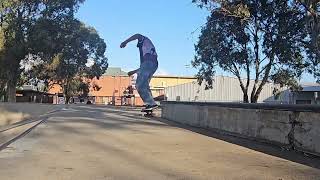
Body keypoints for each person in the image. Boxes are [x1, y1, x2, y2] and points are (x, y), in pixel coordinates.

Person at [120, 34, 158, 111]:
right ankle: (150, 104)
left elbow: (137, 35)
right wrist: (133, 71)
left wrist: (125, 42)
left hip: (149, 62)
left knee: (139, 84)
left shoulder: (144, 40)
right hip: (154, 64)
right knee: (145, 85)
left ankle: (151, 103)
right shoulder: (148, 52)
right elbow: (143, 67)